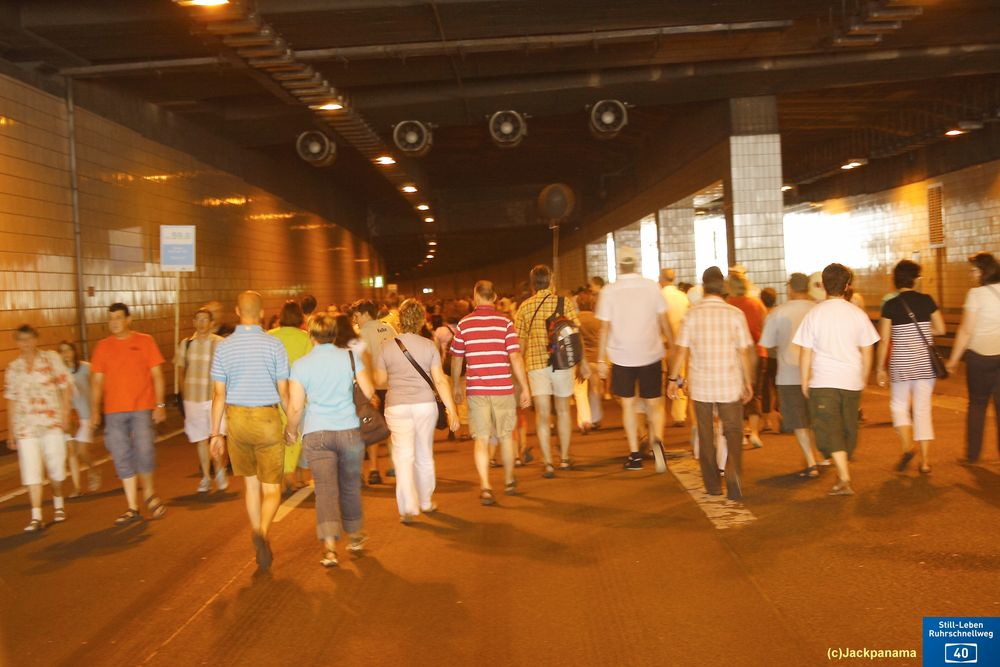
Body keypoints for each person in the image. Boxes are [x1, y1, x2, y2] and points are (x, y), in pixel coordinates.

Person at [210, 291, 290, 570]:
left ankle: (256, 528)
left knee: (251, 485)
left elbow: (218, 394)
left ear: (237, 311)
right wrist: (292, 422)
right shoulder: (274, 344)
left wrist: (215, 434)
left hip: (237, 420)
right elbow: (283, 391)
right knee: (273, 489)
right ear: (261, 313)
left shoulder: (223, 347)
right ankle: (262, 533)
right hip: (266, 418)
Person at [285, 314, 373, 567]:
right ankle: (355, 536)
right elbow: (367, 391)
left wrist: (291, 431)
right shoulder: (349, 357)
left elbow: (296, 407)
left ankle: (330, 548)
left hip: (317, 432)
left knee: (325, 490)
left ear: (310, 335)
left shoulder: (301, 365)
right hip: (348, 430)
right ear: (334, 334)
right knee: (349, 485)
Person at [667, 268, 755, 500]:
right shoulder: (735, 314)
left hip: (702, 386)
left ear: (703, 286)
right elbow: (744, 352)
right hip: (730, 383)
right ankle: (734, 476)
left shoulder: (692, 315)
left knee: (706, 435)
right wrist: (748, 382)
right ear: (722, 287)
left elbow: (681, 350)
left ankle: (713, 485)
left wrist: (672, 379)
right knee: (733, 431)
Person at [793, 264, 879, 496]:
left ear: (823, 285)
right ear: (847, 286)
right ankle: (843, 474)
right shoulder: (857, 314)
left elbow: (805, 351)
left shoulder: (815, 313)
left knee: (829, 428)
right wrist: (863, 377)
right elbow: (868, 349)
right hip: (851, 380)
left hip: (823, 380)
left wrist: (804, 380)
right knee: (847, 428)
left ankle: (842, 471)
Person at [375, 299, 460, 519]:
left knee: (403, 456)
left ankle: (407, 507)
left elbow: (380, 379)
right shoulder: (428, 345)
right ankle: (425, 500)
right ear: (422, 320)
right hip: (424, 406)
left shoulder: (386, 346)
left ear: (400, 320)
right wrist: (452, 409)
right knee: (424, 454)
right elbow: (440, 380)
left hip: (397, 407)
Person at [451, 281, 532, 504]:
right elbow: (515, 356)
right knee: (506, 436)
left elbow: (457, 358)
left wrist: (456, 386)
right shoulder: (505, 323)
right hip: (503, 389)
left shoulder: (464, 325)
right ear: (494, 297)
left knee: (481, 439)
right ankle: (508, 481)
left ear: (475, 296)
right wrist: (524, 387)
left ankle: (486, 487)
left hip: (477, 390)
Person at [90, 303, 167, 524]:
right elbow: (96, 382)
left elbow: (157, 375)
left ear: (128, 319)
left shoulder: (145, 341)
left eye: (118, 317)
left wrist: (160, 406)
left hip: (141, 407)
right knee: (121, 455)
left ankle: (150, 494)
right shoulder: (103, 347)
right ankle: (132, 507)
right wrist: (95, 410)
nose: (114, 322)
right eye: (110, 318)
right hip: (113, 411)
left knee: (144, 450)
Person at [596, 249, 672, 471]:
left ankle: (635, 456)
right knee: (654, 403)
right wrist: (673, 347)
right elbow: (664, 321)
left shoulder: (608, 291)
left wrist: (601, 360)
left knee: (628, 404)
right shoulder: (652, 287)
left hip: (622, 356)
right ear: (635, 264)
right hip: (651, 352)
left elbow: (604, 328)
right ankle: (657, 442)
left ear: (619, 266)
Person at [515, 265, 588, 477]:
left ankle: (547, 462)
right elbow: (576, 334)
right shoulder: (564, 303)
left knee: (543, 415)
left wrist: (518, 376)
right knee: (564, 411)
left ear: (532, 284)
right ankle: (564, 459)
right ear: (551, 281)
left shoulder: (524, 308)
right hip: (562, 363)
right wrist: (581, 362)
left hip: (536, 367)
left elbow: (520, 346)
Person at [875, 260, 946, 474]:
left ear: (895, 280)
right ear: (916, 279)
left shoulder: (891, 305)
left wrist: (880, 368)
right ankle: (924, 462)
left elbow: (884, 339)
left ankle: (908, 447)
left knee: (898, 406)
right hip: (925, 364)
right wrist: (922, 332)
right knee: (923, 409)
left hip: (901, 364)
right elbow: (941, 329)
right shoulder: (927, 301)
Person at [5, 325, 71, 532]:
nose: (26, 344)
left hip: (52, 423)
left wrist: (67, 414)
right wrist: (11, 431)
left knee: (56, 468)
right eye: (21, 340)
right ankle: (36, 516)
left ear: (36, 339)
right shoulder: (13, 368)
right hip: (26, 427)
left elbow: (65, 386)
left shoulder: (51, 359)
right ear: (17, 342)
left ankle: (58, 503)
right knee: (31, 471)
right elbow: (11, 400)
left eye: (29, 339)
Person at [759, 273, 823, 477]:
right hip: (818, 373)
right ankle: (819, 456)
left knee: (798, 420)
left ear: (790, 289)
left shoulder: (778, 312)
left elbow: (767, 344)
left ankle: (811, 461)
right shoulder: (818, 310)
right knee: (814, 418)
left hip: (789, 374)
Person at [945, 251, 1000, 464]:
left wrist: (952, 361)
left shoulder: (976, 295)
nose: (972, 274)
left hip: (980, 357)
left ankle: (973, 455)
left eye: (974, 270)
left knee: (977, 405)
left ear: (984, 271)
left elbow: (966, 331)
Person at [175, 308, 227, 493]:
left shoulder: (220, 343)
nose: (202, 323)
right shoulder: (186, 344)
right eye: (198, 319)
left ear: (211, 323)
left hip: (214, 398)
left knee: (216, 436)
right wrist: (183, 394)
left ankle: (219, 469)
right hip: (193, 398)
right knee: (200, 439)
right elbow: (180, 370)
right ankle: (206, 476)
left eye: (205, 319)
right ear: (194, 322)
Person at [350, 299, 397, 484]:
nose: (355, 320)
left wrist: (368, 392)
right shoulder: (389, 328)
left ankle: (374, 469)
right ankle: (394, 465)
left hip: (373, 387)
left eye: (356, 316)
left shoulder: (361, 334)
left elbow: (363, 363)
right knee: (392, 426)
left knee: (372, 428)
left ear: (365, 314)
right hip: (393, 384)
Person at [269, 300, 313, 492]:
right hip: (297, 394)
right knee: (294, 434)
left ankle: (281, 474)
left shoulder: (270, 336)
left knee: (277, 437)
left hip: (272, 394)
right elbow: (311, 368)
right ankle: (292, 475)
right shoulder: (305, 338)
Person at [726, 273, 767, 449]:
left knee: (736, 394)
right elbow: (765, 326)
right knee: (755, 393)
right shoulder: (757, 304)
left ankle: (741, 433)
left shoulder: (728, 306)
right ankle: (755, 432)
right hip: (758, 351)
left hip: (734, 354)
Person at [59, 340, 100, 496]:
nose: (66, 354)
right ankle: (76, 487)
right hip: (68, 417)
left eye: (68, 350)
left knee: (82, 451)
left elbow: (96, 386)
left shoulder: (85, 368)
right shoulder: (59, 372)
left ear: (74, 351)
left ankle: (93, 470)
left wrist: (96, 410)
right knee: (71, 452)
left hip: (85, 415)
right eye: (62, 351)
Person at [660, 268, 690, 427]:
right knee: (680, 376)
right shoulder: (683, 297)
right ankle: (679, 415)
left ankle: (658, 413)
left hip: (663, 344)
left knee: (660, 379)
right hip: (681, 344)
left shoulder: (659, 296)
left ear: (661, 278)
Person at [574, 292, 603, 433]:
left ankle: (585, 420)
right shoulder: (598, 320)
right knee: (595, 391)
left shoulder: (575, 320)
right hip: (596, 359)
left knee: (580, 391)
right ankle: (596, 418)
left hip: (581, 360)